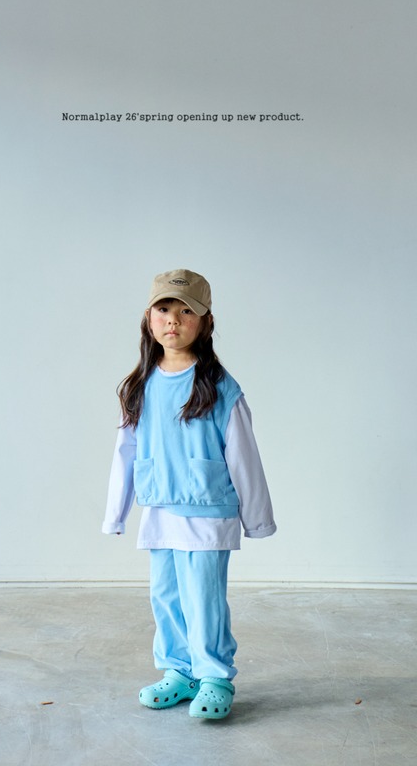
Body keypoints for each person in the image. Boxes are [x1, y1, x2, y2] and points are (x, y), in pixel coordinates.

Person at [102, 268, 276, 720]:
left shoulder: (219, 388)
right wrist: (116, 514)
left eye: (186, 311)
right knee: (166, 595)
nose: (173, 320)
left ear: (206, 321)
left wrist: (257, 519)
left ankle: (214, 676)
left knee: (203, 599)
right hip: (160, 508)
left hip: (207, 511)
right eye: (164, 309)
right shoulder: (139, 387)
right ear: (148, 318)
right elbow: (125, 452)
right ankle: (179, 671)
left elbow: (244, 457)